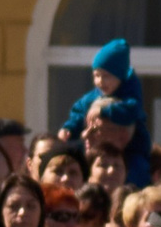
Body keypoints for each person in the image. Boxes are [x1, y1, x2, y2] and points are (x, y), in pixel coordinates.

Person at [60, 39, 151, 186]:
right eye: (96, 75)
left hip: (135, 148)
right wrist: (69, 128)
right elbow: (79, 111)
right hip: (99, 153)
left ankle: (133, 187)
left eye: (106, 76)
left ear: (120, 75)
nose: (100, 81)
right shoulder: (95, 94)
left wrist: (104, 110)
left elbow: (132, 110)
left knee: (137, 168)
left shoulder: (130, 91)